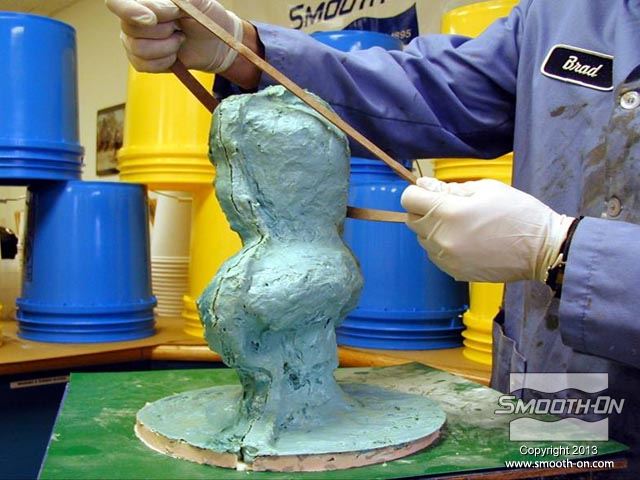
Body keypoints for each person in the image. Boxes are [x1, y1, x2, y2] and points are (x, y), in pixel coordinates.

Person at [106, 0, 640, 476]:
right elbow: (428, 90)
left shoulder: (322, 269)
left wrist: (567, 250)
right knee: (552, 467)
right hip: (549, 387)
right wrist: (245, 51)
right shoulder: (564, 11)